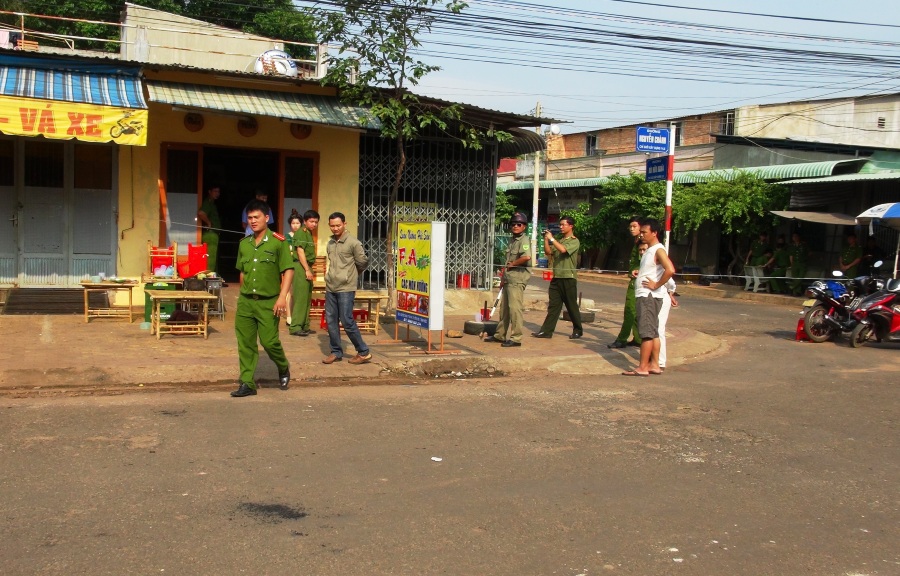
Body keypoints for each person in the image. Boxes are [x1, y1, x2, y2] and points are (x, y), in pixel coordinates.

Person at [230, 200, 294, 397]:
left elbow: (288, 270)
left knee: (269, 341)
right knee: (245, 343)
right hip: (247, 302)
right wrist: (242, 296)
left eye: (256, 217)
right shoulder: (244, 244)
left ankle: (283, 366)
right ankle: (247, 383)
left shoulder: (278, 242)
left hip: (269, 301)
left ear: (267, 218)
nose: (253, 221)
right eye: (249, 218)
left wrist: (282, 297)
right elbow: (242, 273)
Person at [622, 218, 675, 377]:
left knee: (646, 333)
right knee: (653, 332)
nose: (642, 235)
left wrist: (656, 284)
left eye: (645, 232)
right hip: (649, 295)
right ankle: (654, 364)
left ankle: (643, 367)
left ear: (654, 233)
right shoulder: (650, 249)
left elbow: (670, 270)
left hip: (648, 296)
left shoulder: (658, 249)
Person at [322, 212, 372, 365]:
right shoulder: (330, 243)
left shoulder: (353, 243)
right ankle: (336, 351)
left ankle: (363, 351)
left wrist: (352, 275)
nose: (335, 228)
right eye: (332, 225)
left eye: (338, 225)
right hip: (331, 286)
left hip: (346, 287)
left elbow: (363, 262)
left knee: (346, 319)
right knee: (331, 320)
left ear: (345, 224)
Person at [532, 215, 583, 339]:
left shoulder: (574, 240)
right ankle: (546, 331)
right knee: (554, 306)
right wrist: (546, 239)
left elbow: (563, 250)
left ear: (571, 226)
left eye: (563, 224)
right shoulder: (560, 240)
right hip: (557, 277)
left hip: (568, 277)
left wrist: (552, 239)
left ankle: (578, 329)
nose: (561, 227)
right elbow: (549, 252)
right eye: (560, 224)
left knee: (571, 305)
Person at [489, 211, 531, 347]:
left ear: (524, 226)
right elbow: (507, 262)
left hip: (517, 279)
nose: (515, 226)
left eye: (519, 224)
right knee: (504, 310)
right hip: (509, 279)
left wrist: (513, 264)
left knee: (515, 309)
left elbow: (526, 257)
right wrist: (503, 278)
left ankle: (516, 338)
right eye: (513, 224)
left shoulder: (524, 240)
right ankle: (499, 335)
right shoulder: (512, 240)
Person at [608, 217, 642, 349]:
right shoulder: (636, 242)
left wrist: (635, 272)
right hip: (635, 278)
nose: (632, 229)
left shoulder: (643, 243)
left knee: (630, 310)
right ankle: (638, 338)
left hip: (638, 281)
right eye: (630, 227)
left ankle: (622, 339)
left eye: (635, 226)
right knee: (634, 311)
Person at [289, 209, 320, 337]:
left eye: (316, 222)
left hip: (307, 266)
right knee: (301, 297)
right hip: (301, 267)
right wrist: (307, 269)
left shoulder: (308, 233)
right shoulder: (301, 233)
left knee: (307, 297)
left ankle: (304, 325)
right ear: (305, 221)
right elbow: (300, 252)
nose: (314, 224)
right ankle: (295, 326)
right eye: (311, 221)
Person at [197, 184, 221, 272]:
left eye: (218, 192)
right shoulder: (208, 202)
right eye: (215, 191)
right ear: (209, 192)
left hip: (214, 233)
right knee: (210, 257)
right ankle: (210, 277)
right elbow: (201, 213)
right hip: (210, 233)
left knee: (214, 257)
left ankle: (215, 277)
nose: (217, 194)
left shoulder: (212, 203)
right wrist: (209, 222)